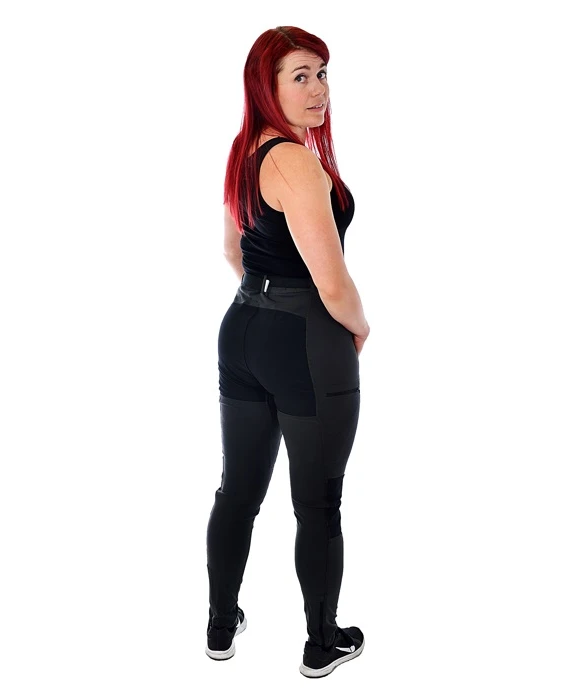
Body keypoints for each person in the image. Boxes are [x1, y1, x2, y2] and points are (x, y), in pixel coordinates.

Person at [205, 25, 370, 679]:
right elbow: (332, 283)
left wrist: (266, 300)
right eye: (300, 76)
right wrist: (359, 326)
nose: (318, 89)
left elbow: (232, 250)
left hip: (243, 329)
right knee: (318, 502)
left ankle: (221, 625)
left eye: (322, 73)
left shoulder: (244, 151)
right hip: (306, 341)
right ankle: (322, 643)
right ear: (265, 86)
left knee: (237, 491)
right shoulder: (297, 163)